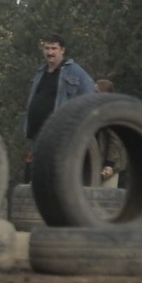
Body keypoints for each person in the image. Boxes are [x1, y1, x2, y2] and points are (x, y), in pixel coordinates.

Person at [21, 33, 96, 181]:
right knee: (39, 173)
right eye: (47, 48)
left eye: (54, 48)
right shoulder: (40, 72)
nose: (50, 52)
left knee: (56, 171)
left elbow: (89, 95)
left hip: (59, 132)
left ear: (62, 50)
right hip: (37, 133)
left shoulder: (74, 71)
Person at [94, 79, 126, 188]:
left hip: (108, 164)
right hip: (96, 162)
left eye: (96, 92)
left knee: (106, 194)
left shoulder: (113, 113)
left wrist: (109, 164)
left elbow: (115, 140)